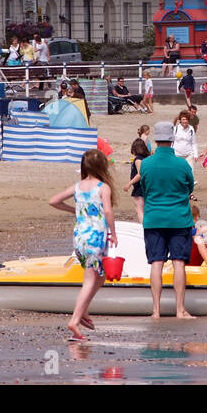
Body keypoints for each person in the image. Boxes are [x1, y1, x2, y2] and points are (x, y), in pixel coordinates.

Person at [48, 149, 118, 340]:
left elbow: (53, 201)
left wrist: (77, 211)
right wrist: (113, 232)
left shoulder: (78, 186)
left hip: (80, 237)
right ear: (101, 166)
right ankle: (75, 320)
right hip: (95, 238)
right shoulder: (103, 187)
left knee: (100, 277)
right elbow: (109, 212)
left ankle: (83, 310)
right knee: (90, 280)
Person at [139, 121, 196, 319]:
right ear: (172, 139)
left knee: (156, 263)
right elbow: (189, 188)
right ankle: (180, 309)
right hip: (179, 218)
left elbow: (145, 189)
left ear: (155, 139)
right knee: (179, 263)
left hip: (154, 217)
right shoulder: (182, 164)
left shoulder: (146, 164)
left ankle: (156, 310)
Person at [125, 125, 151, 222]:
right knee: (143, 209)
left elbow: (140, 174)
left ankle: (143, 229)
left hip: (139, 187)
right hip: (144, 186)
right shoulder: (146, 159)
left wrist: (129, 183)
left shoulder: (138, 160)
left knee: (139, 210)